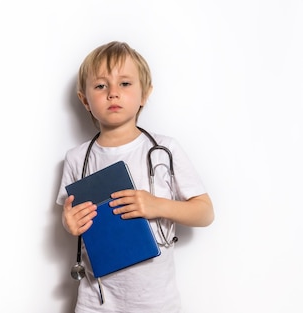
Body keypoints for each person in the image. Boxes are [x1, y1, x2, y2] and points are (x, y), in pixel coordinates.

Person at [56, 41, 214, 312]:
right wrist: (68, 223)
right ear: (84, 100)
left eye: (125, 84)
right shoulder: (77, 158)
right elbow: (71, 216)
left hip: (155, 301)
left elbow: (205, 213)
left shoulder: (164, 150)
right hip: (98, 300)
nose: (113, 94)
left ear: (145, 93)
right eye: (101, 86)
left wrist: (157, 205)